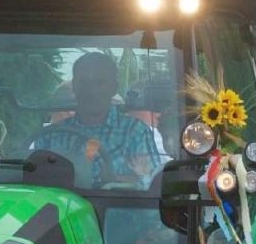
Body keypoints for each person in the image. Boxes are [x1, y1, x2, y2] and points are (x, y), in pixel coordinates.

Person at [30, 52, 162, 189]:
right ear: (74, 87)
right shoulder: (51, 135)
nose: (91, 91)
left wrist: (115, 180)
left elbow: (151, 183)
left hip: (116, 202)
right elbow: (33, 182)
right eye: (84, 82)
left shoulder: (135, 132)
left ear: (114, 88)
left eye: (100, 83)